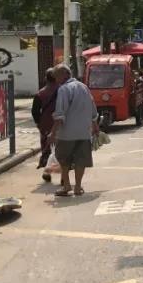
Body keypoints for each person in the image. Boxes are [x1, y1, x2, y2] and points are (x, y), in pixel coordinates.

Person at [51, 63, 99, 197]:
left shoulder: (64, 89)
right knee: (80, 160)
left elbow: (60, 114)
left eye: (57, 76)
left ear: (65, 75)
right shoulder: (84, 87)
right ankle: (77, 187)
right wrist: (95, 125)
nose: (56, 80)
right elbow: (93, 107)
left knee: (64, 159)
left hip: (67, 133)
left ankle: (66, 186)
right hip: (84, 131)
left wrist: (53, 133)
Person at [31, 68, 59, 183]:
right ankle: (64, 175)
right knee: (62, 149)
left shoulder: (40, 94)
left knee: (46, 148)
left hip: (46, 125)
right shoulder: (63, 90)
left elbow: (35, 111)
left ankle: (46, 172)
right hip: (61, 124)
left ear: (46, 79)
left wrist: (38, 123)